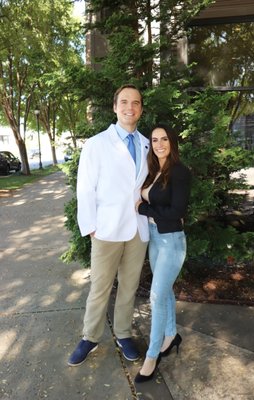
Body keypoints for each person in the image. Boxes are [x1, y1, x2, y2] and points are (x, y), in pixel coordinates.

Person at [68, 84, 150, 367]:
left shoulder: (147, 144)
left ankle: (124, 333)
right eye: (124, 102)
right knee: (100, 287)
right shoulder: (96, 144)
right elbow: (85, 188)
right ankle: (90, 337)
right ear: (115, 107)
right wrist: (91, 226)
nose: (130, 107)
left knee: (129, 286)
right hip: (106, 229)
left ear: (141, 109)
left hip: (138, 229)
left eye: (136, 103)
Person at [134, 124, 191, 383]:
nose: (159, 144)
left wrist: (144, 210)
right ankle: (171, 334)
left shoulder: (179, 172)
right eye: (154, 140)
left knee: (156, 296)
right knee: (165, 291)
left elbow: (177, 212)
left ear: (172, 142)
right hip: (156, 240)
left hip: (171, 242)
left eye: (164, 139)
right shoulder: (155, 171)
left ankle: (152, 355)